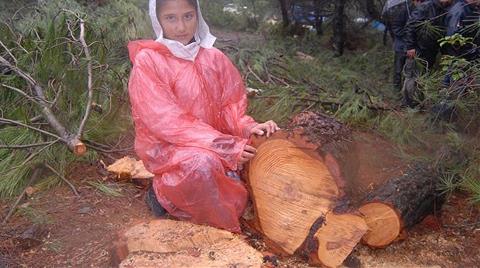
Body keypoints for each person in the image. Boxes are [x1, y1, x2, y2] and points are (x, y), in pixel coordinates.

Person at [127, 0, 279, 233]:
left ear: (197, 15)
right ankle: (164, 195)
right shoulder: (150, 61)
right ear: (158, 20)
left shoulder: (214, 57)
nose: (181, 26)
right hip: (171, 148)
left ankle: (225, 208)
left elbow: (231, 108)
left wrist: (249, 128)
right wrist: (225, 146)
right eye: (171, 18)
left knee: (263, 150)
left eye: (188, 16)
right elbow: (167, 121)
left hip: (217, 142)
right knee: (201, 164)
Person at [383, 0, 424, 91]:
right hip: (401, 45)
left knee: (410, 70)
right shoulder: (400, 11)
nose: (420, 3)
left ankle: (408, 91)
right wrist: (408, 32)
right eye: (419, 1)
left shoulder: (415, 10)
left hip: (411, 45)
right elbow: (396, 29)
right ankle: (396, 90)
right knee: (398, 69)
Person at [404, 0, 455, 69]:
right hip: (418, 50)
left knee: (426, 73)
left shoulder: (447, 9)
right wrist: (410, 47)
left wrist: (445, 51)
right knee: (413, 75)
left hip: (431, 51)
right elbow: (410, 26)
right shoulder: (426, 7)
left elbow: (443, 32)